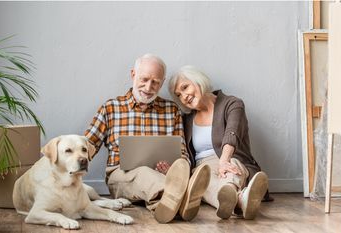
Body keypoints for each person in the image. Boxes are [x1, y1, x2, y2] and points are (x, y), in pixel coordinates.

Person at [85, 54, 210, 223]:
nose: (149, 87)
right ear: (133, 74)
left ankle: (167, 205)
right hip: (121, 175)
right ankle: (184, 198)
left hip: (162, 175)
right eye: (144, 79)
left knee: (160, 176)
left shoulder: (171, 110)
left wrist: (173, 168)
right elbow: (87, 145)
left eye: (156, 82)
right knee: (143, 172)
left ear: (162, 82)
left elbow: (182, 152)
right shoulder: (111, 108)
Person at [168, 65, 270, 220]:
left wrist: (224, 160)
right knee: (200, 180)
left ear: (198, 80)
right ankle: (241, 201)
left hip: (231, 159)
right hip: (203, 167)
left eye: (185, 87)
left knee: (231, 167)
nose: (184, 96)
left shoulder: (232, 104)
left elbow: (232, 133)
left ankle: (231, 194)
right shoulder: (186, 119)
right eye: (179, 95)